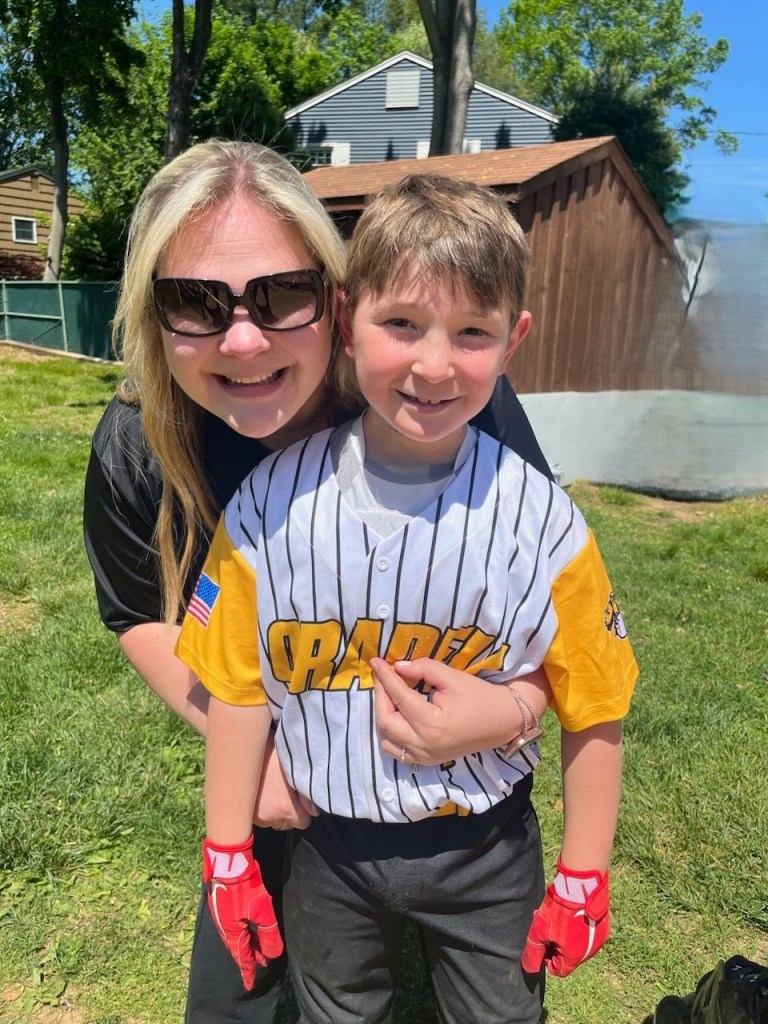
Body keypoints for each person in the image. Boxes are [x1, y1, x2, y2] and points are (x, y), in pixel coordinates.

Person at [82, 141, 556, 1024]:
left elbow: (549, 599)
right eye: (194, 302)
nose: (244, 339)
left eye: (281, 294)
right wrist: (245, 755)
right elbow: (138, 612)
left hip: (455, 798)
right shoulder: (136, 445)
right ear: (153, 317)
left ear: (336, 303)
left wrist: (510, 710)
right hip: (282, 778)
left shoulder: (439, 395)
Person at [175, 172, 639, 1024]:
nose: (434, 363)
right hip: (329, 845)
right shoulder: (267, 507)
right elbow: (238, 685)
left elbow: (595, 701)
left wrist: (584, 871)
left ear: (515, 339)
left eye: (473, 332)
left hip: (485, 845)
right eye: (401, 324)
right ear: (348, 319)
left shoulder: (544, 520)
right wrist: (229, 849)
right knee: (337, 1009)